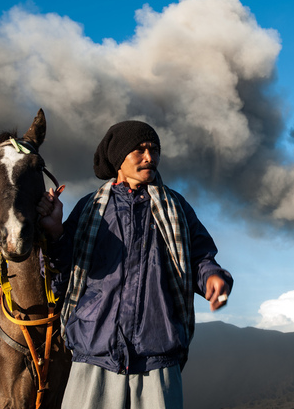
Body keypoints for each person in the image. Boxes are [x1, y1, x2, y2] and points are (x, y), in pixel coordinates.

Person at [37, 120, 233, 409]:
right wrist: (55, 233)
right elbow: (62, 274)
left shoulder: (177, 208)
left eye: (154, 150)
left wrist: (213, 277)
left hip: (157, 352)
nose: (149, 157)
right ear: (118, 156)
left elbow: (200, 257)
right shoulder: (89, 209)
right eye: (139, 149)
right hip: (95, 352)